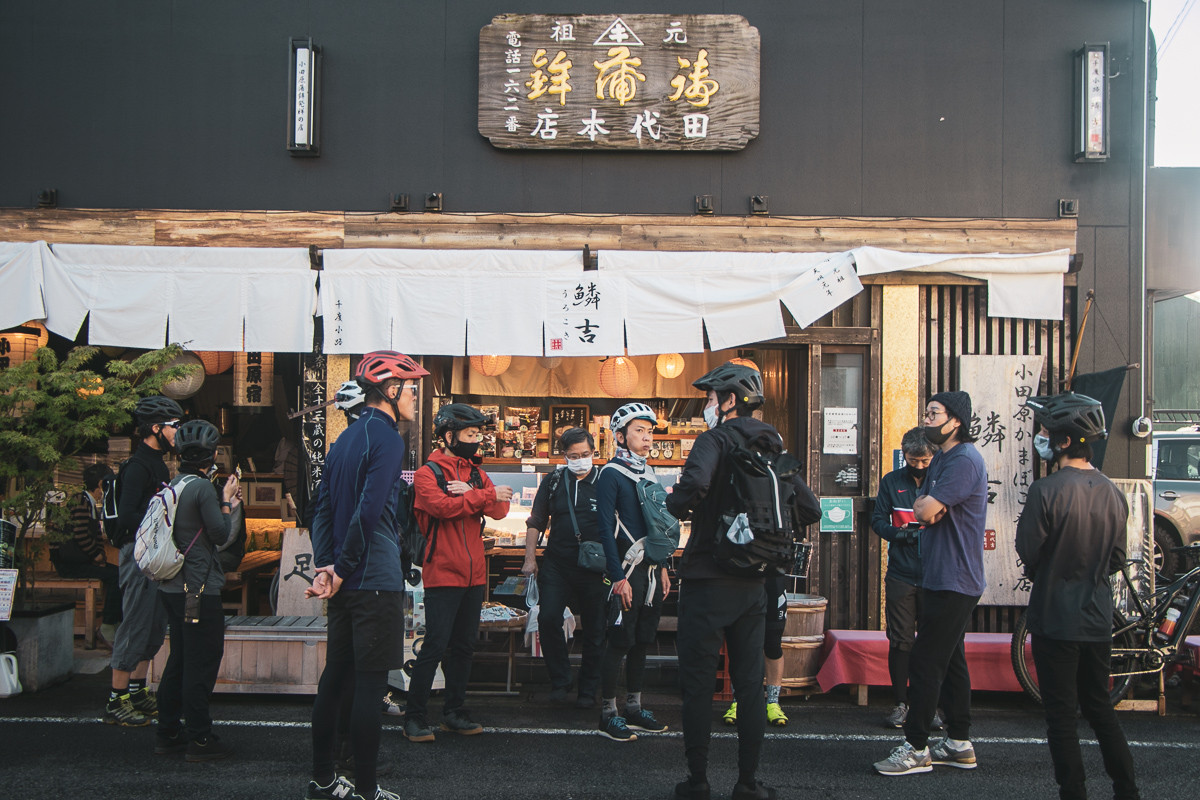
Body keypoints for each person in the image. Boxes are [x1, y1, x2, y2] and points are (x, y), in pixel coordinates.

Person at [668, 363, 820, 800]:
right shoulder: (771, 446)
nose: (707, 407)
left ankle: (697, 782)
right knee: (749, 684)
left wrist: (676, 504)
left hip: (706, 580)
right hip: (757, 582)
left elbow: (694, 483)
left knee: (698, 683)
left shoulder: (714, 439)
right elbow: (810, 510)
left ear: (730, 400)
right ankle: (748, 784)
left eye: (712, 399)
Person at [305, 351, 429, 800]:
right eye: (411, 387)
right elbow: (370, 510)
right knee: (370, 686)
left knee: (336, 679)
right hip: (372, 577)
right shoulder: (389, 438)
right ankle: (367, 790)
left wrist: (327, 566)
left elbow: (321, 508)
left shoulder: (345, 437)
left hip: (343, 579)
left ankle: (322, 780)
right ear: (391, 390)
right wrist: (342, 566)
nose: (416, 395)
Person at [1016, 393, 1140, 800]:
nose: (1043, 438)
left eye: (1048, 433)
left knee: (1062, 718)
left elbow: (1029, 551)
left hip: (1055, 618)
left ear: (1066, 441)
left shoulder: (1045, 490)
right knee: (1100, 708)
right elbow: (1117, 558)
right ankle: (1127, 789)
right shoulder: (1113, 493)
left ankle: (1074, 793)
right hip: (1098, 618)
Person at [874, 390, 987, 776]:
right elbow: (924, 508)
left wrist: (928, 505)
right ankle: (958, 742)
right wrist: (927, 506)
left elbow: (925, 508)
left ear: (955, 420)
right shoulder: (942, 459)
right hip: (941, 575)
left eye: (934, 413)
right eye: (926, 412)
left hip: (955, 577)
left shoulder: (963, 460)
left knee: (924, 662)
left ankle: (916, 747)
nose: (927, 418)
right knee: (952, 660)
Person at [402, 403, 513, 743]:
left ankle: (454, 711)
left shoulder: (476, 473)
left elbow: (501, 509)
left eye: (479, 434)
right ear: (449, 436)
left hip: (474, 573)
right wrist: (483, 496)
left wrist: (476, 494)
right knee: (435, 645)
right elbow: (442, 508)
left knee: (465, 646)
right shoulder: (427, 473)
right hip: (442, 571)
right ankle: (414, 717)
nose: (477, 440)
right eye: (470, 434)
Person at [154, 420, 243, 761]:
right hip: (198, 589)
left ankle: (168, 731)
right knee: (201, 662)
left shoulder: (175, 484)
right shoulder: (203, 489)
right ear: (214, 454)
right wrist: (227, 501)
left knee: (179, 658)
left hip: (173, 587)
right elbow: (220, 535)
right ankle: (200, 738)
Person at [595, 401, 673, 743]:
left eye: (649, 431)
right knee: (619, 641)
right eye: (638, 431)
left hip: (653, 571)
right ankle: (608, 712)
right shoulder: (610, 473)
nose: (647, 437)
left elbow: (659, 527)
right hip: (627, 569)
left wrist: (665, 566)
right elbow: (604, 529)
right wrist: (617, 578)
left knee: (643, 639)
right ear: (620, 437)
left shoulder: (650, 473)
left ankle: (634, 707)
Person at [106, 395, 181, 727]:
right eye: (174, 427)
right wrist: (162, 516)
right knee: (136, 621)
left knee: (153, 624)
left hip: (153, 555)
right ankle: (116, 699)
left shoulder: (158, 464)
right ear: (156, 428)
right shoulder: (137, 466)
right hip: (137, 555)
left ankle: (136, 691)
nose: (178, 433)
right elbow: (126, 515)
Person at [522, 427, 608, 709]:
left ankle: (588, 688)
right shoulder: (554, 480)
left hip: (596, 565)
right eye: (574, 456)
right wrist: (530, 558)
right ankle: (560, 680)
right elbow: (536, 521)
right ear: (565, 456)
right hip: (557, 563)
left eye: (585, 454)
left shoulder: (606, 479)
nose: (581, 460)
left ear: (594, 452)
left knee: (596, 630)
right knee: (547, 619)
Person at [870, 427, 934, 728]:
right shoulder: (891, 481)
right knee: (900, 640)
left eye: (925, 460)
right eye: (913, 459)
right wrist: (899, 534)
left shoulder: (941, 481)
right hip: (901, 572)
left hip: (935, 573)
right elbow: (878, 520)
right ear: (903, 454)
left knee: (932, 642)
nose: (919, 466)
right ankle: (900, 703)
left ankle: (929, 706)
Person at [50, 462, 122, 646]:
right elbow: (81, 534)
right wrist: (96, 556)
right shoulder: (81, 502)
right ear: (100, 484)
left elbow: (91, 535)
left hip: (80, 561)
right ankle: (107, 626)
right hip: (70, 564)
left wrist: (99, 557)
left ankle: (110, 624)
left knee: (117, 574)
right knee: (117, 576)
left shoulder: (85, 501)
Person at [721, 573, 791, 729]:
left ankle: (773, 702)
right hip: (742, 576)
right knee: (740, 641)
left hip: (773, 576)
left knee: (773, 642)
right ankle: (738, 700)